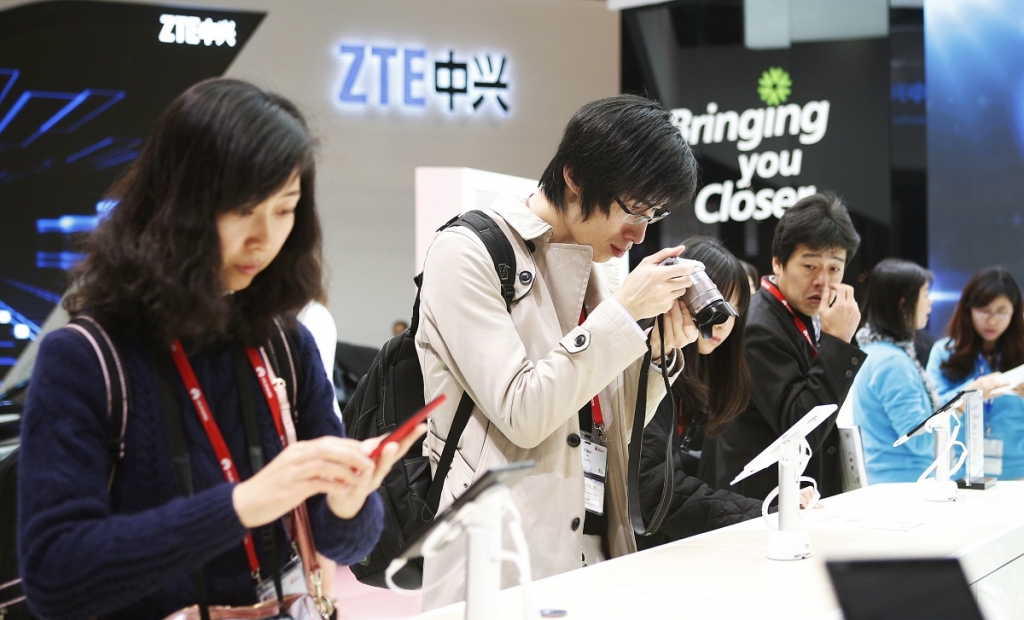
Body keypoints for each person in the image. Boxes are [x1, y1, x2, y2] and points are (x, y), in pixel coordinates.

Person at [17, 79, 421, 619]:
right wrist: (244, 504)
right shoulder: (87, 358)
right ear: (177, 205)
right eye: (243, 210)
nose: (265, 238)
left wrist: (351, 500)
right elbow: (55, 577)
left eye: (285, 209)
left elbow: (346, 543)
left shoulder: (285, 344)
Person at [415, 94, 700, 608]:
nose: (638, 234)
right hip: (497, 561)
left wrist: (661, 354)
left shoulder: (606, 268)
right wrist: (621, 315)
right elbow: (523, 412)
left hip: (594, 547)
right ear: (574, 176)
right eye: (633, 209)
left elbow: (615, 421)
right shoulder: (467, 251)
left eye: (654, 215)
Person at [702, 191, 864, 501]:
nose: (823, 281)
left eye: (834, 268)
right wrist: (839, 343)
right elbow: (800, 427)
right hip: (761, 504)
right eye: (809, 266)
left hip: (794, 496)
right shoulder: (759, 326)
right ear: (778, 263)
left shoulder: (807, 315)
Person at [636, 237, 763, 548]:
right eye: (712, 304)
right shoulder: (649, 364)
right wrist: (762, 512)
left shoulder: (700, 377)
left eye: (732, 310)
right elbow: (655, 492)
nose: (720, 321)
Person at [849, 259, 944, 483]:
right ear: (904, 304)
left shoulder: (876, 351)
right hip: (904, 487)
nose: (930, 303)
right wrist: (957, 407)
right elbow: (918, 440)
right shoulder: (892, 362)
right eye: (925, 295)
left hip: (892, 483)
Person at [926, 267, 1024, 479]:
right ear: (969, 309)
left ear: (1015, 312)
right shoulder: (945, 352)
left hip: (1019, 472)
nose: (992, 320)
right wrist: (968, 392)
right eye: (984, 311)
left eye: (1001, 311)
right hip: (963, 470)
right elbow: (931, 414)